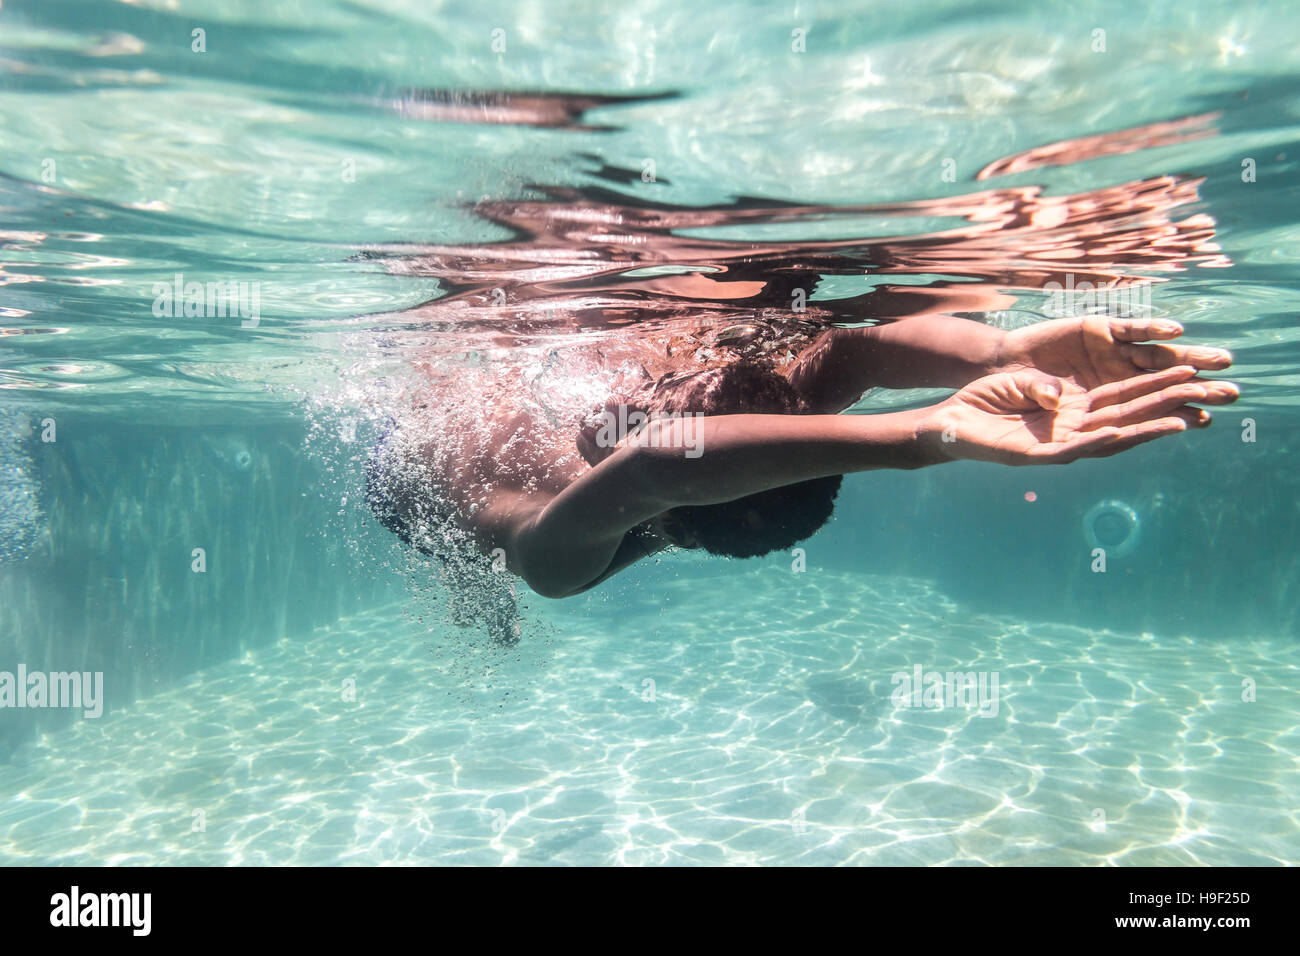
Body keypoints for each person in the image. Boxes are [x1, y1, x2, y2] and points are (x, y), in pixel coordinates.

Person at [367, 310, 1237, 603]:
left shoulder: (562, 557)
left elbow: (666, 464)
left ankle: (465, 586)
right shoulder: (754, 403)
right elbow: (852, 357)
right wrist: (1002, 353)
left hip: (398, 482)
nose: (684, 380)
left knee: (469, 562)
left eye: (684, 402)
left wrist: (921, 437)